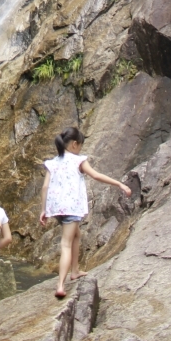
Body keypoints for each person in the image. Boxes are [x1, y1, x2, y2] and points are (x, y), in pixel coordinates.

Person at [40, 126, 132, 299]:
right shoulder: (78, 160)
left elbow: (45, 187)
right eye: (80, 145)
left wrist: (44, 210)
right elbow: (96, 176)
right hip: (71, 207)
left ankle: (75, 270)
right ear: (75, 144)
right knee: (66, 243)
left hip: (56, 208)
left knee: (76, 235)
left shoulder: (52, 162)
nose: (80, 149)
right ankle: (60, 285)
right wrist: (119, 184)